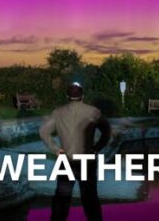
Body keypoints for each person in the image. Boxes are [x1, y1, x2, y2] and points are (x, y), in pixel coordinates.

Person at [40, 82, 112, 221]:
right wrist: (97, 148)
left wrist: (55, 149)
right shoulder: (94, 112)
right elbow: (107, 131)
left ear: (67, 96)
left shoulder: (58, 112)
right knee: (90, 198)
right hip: (87, 160)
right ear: (82, 96)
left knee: (61, 199)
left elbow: (43, 131)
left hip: (65, 159)